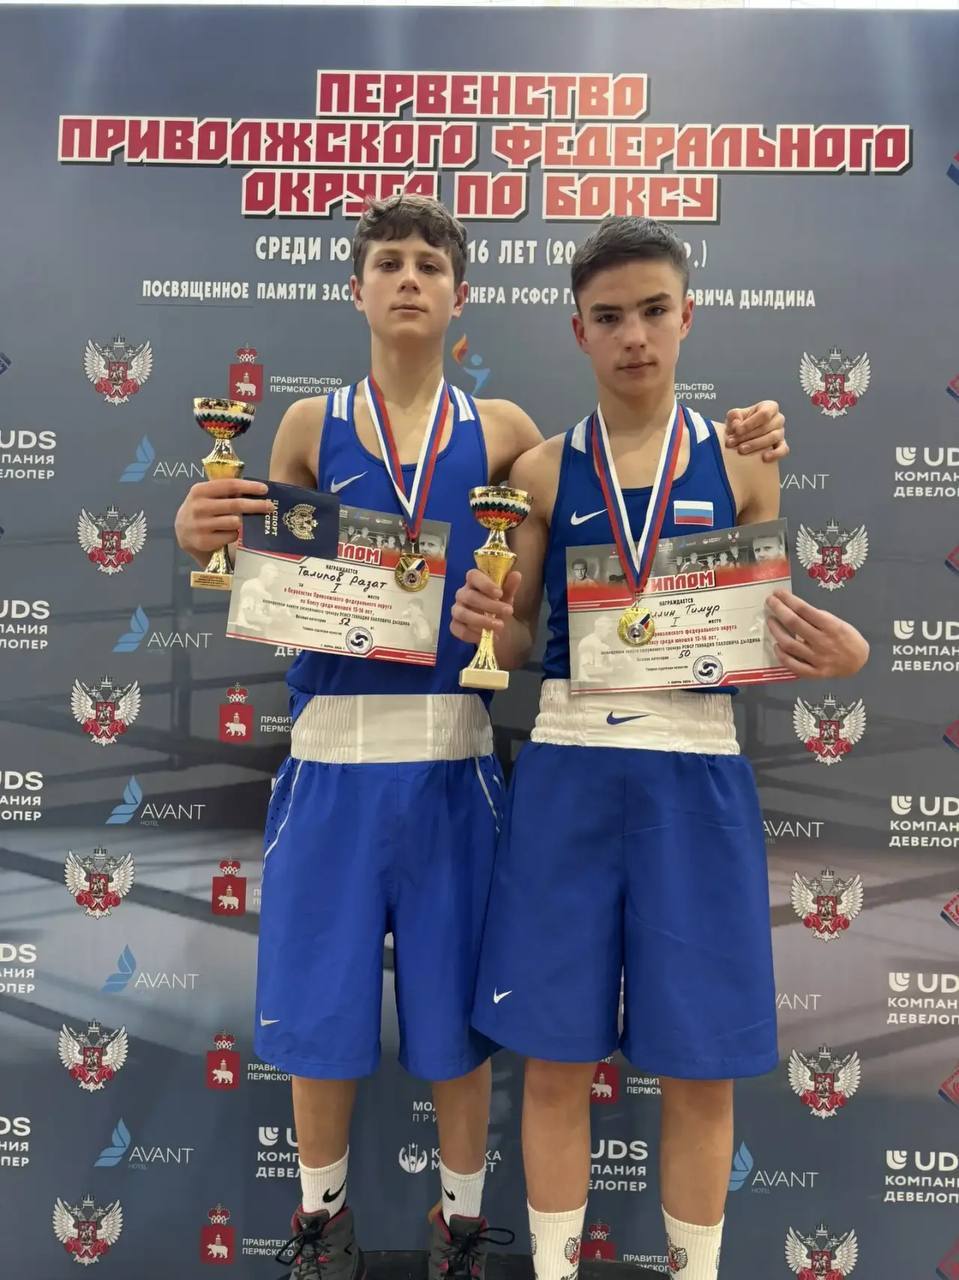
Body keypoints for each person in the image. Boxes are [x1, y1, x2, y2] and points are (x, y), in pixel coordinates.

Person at [174, 196, 787, 1280]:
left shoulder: (508, 436)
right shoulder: (308, 426)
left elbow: (540, 603)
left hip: (461, 755)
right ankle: (322, 1225)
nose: (409, 278)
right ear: (355, 288)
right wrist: (203, 535)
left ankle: (458, 1228)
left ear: (462, 296)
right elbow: (267, 561)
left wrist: (754, 438)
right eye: (388, 262)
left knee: (459, 1024)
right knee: (319, 1015)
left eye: (429, 263)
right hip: (333, 750)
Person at [449, 217, 868, 1280]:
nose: (632, 335)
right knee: (553, 1057)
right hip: (568, 766)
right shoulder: (540, 469)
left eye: (651, 311)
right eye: (608, 317)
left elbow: (768, 624)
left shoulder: (744, 458)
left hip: (695, 769)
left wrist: (843, 652)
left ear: (687, 316)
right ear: (577, 331)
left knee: (700, 1063)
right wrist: (482, 623)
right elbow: (511, 638)